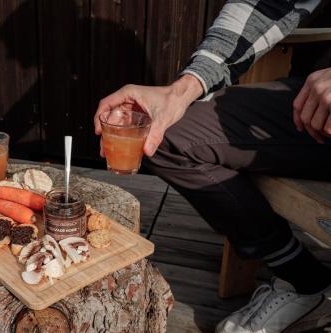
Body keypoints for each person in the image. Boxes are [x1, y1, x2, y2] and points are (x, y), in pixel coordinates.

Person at [95, 1, 331, 332]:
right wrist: (181, 91)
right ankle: (306, 280)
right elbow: (266, 5)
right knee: (162, 133)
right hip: (315, 104)